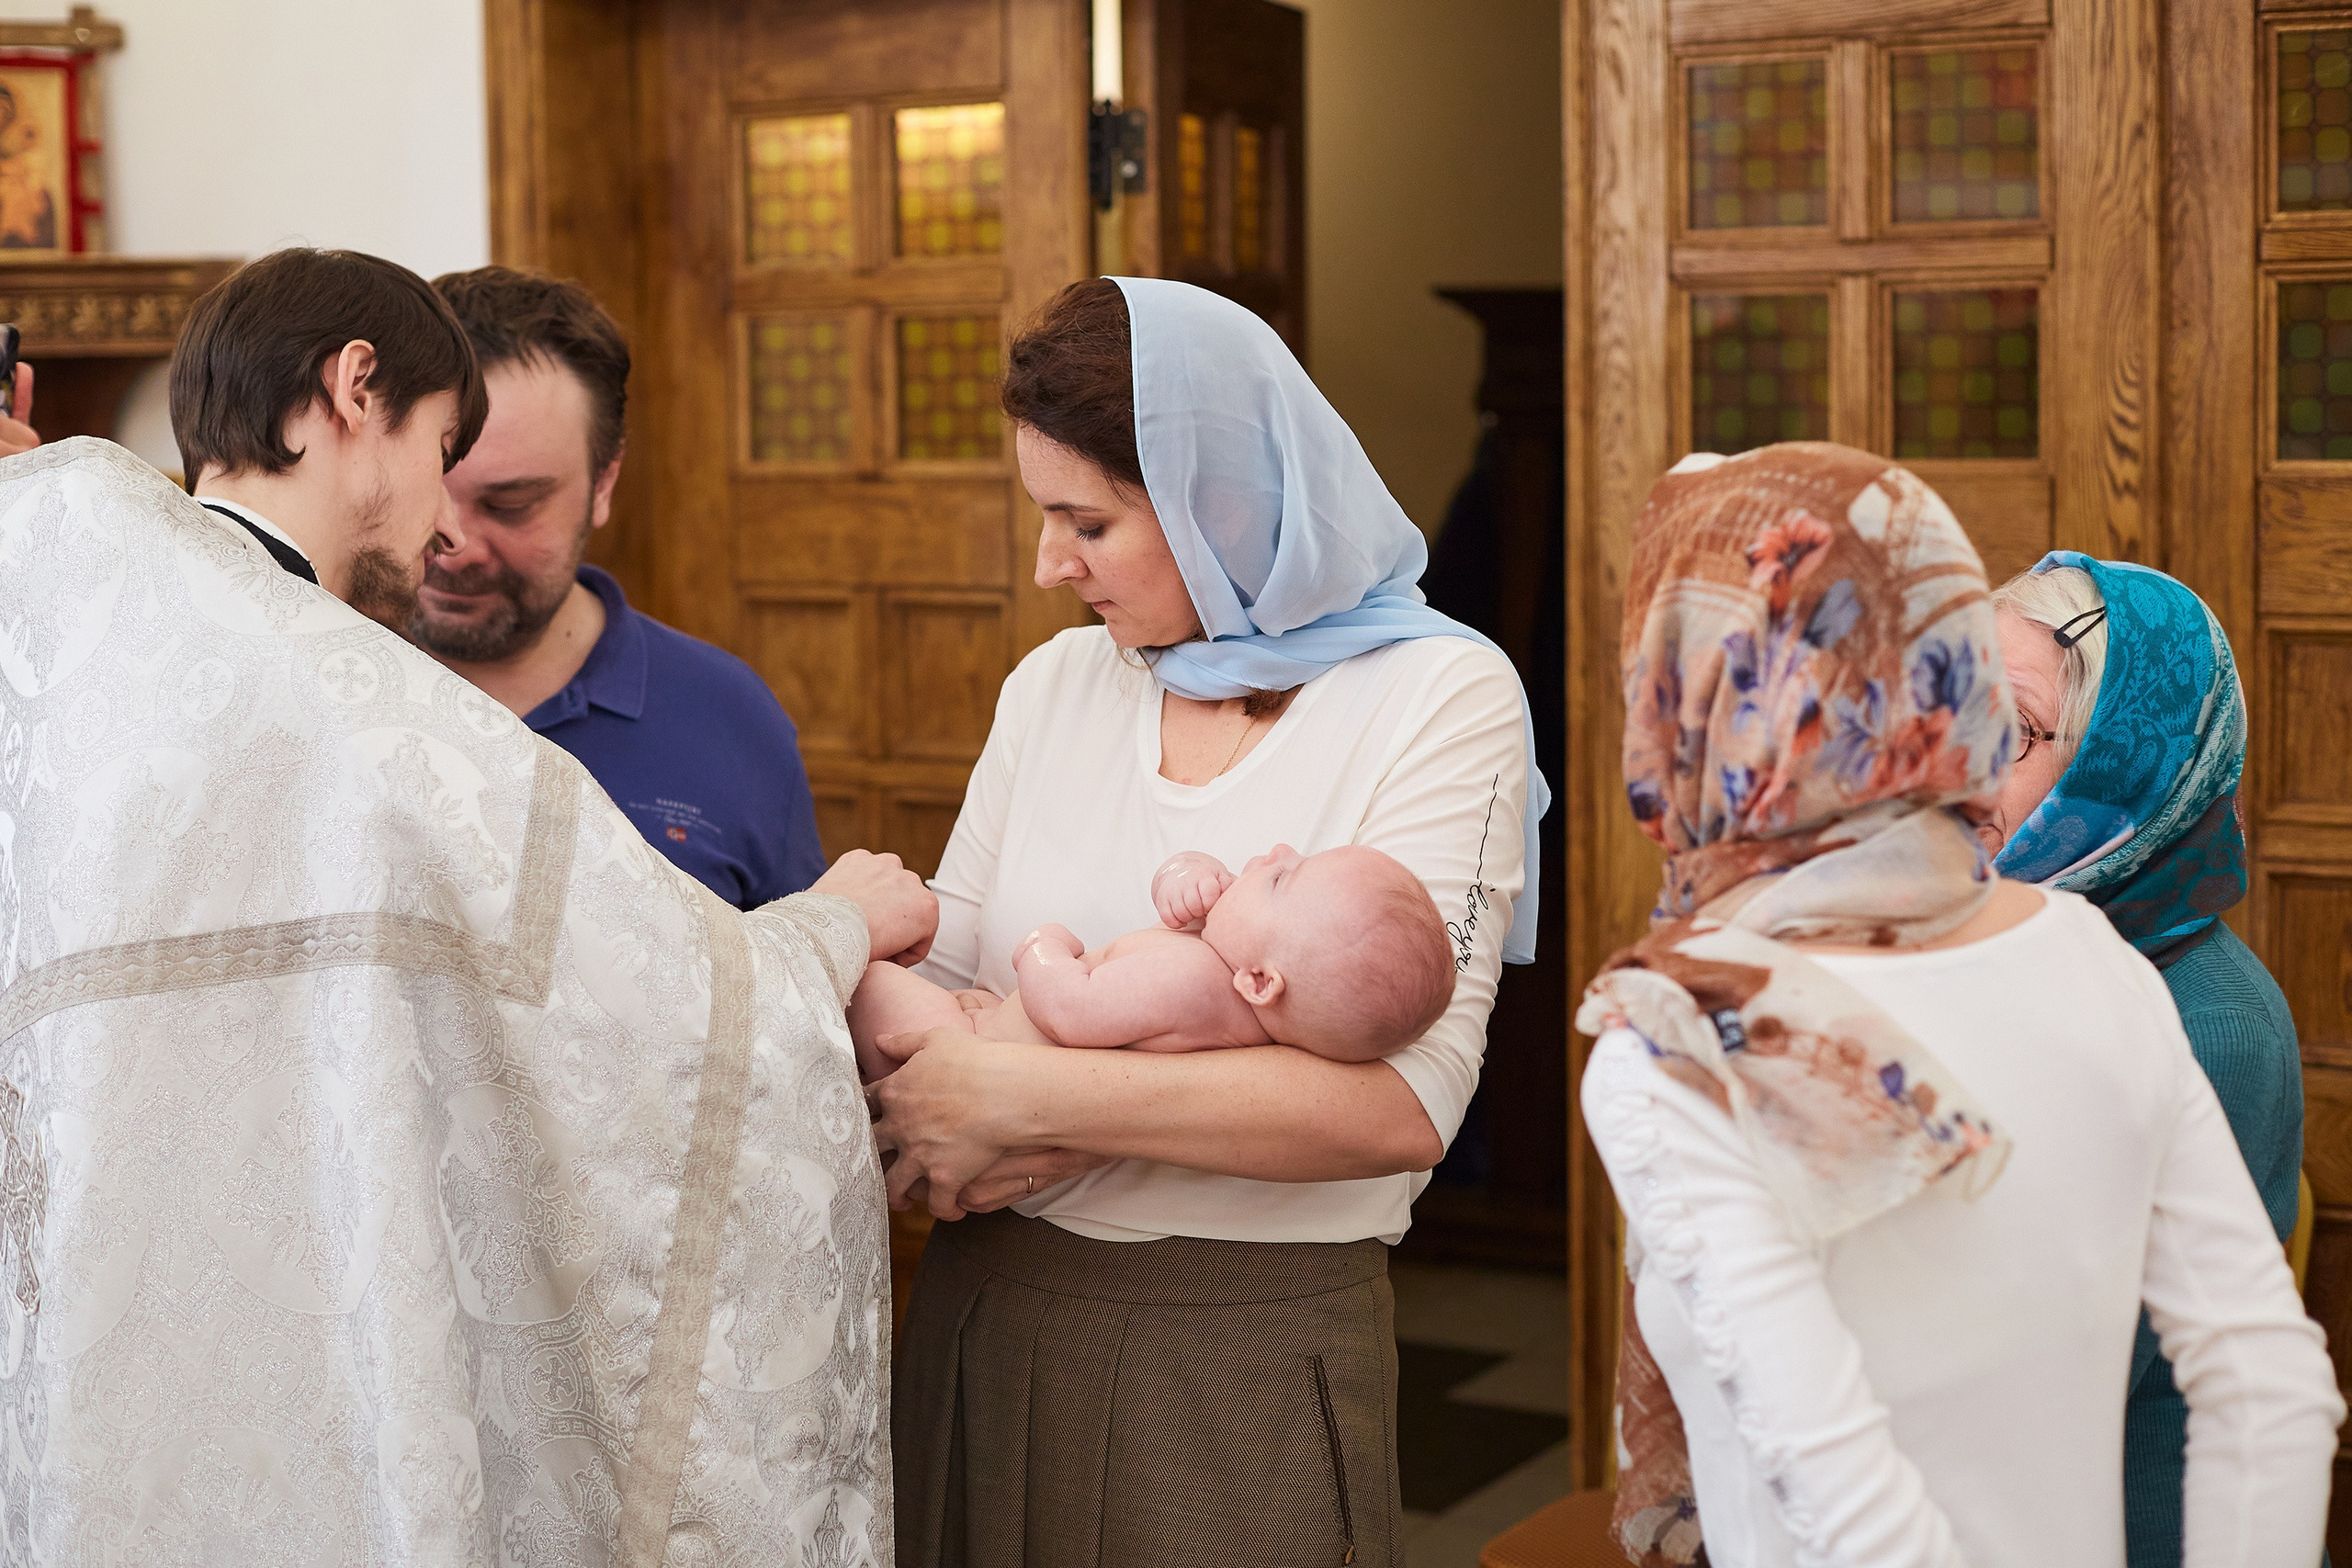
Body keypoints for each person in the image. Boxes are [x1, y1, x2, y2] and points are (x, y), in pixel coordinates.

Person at [0, 246, 933, 1558]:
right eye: (443, 452)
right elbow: (667, 1012)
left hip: (91, 1390)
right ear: (355, 388)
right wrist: (834, 926)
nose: (443, 522)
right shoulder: (379, 719)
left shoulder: (61, 631)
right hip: (327, 1389)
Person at [867, 277, 1546, 1565]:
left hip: (1237, 1343)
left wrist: (1020, 1099)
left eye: (1088, 522)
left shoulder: (1436, 694)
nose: (1049, 564)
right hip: (986, 1308)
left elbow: (1400, 1107)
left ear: (1218, 497)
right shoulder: (1055, 683)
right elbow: (939, 983)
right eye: (1046, 517)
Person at [1577, 442, 2340, 1567]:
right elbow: (2267, 1389)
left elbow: (1855, 1505)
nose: (1963, 752)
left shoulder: (1684, 1035)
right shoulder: (2085, 953)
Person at [1981, 554, 2307, 1568]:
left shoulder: (2207, 1027)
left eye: (2010, 729)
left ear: (2120, 768)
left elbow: (2038, 1388)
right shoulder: (2000, 950)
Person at [414, 265, 826, 908]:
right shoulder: (306, 688)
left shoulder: (728, 717)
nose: (456, 542)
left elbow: (801, 965)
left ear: (603, 483)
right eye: (424, 489)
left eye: (510, 505)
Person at [850, 841, 1455, 1064]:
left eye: (1280, 879)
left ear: (1259, 981)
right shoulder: (1224, 975)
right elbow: (1174, 908)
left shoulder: (1192, 983)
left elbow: (1070, 1010)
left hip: (967, 1046)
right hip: (990, 1025)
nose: (1275, 851)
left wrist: (1043, 946)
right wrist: (1186, 875)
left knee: (864, 981)